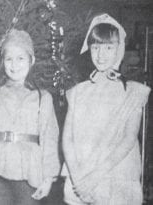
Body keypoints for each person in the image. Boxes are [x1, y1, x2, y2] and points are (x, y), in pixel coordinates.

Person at [0, 29, 60, 205]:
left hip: (29, 170)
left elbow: (49, 138)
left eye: (21, 58)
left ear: (32, 60)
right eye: (9, 59)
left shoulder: (42, 97)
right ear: (3, 62)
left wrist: (48, 178)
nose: (14, 65)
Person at [62, 13, 151, 205]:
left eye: (109, 47)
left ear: (119, 50)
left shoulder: (132, 92)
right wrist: (78, 180)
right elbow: (67, 138)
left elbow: (128, 139)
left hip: (116, 178)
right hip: (81, 178)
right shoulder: (78, 92)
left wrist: (95, 177)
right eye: (96, 47)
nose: (101, 55)